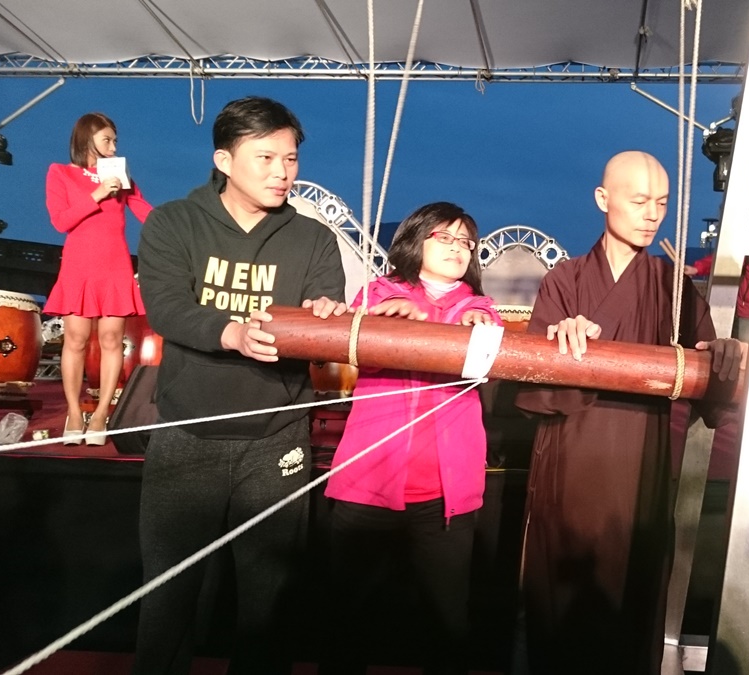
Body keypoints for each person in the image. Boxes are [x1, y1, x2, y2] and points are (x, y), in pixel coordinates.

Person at [134, 96, 346, 675]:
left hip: (278, 440)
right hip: (187, 436)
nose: (283, 172)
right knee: (169, 597)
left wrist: (326, 317)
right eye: (267, 156)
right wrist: (229, 332)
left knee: (269, 600)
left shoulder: (313, 238)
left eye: (292, 159)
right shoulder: (173, 221)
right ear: (224, 160)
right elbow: (167, 308)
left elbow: (325, 312)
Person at [515, 150, 744, 674]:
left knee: (632, 595)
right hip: (572, 458)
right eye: (638, 200)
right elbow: (532, 387)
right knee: (564, 599)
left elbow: (709, 371)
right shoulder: (565, 280)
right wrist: (562, 343)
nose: (651, 215)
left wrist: (724, 353)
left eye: (661, 204)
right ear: (603, 199)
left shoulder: (672, 285)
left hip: (644, 459)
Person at [322, 201, 501, 675]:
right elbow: (355, 349)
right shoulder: (377, 294)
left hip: (447, 499)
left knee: (447, 627)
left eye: (466, 241)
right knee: (347, 623)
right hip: (367, 487)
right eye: (446, 237)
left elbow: (485, 361)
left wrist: (470, 329)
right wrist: (383, 321)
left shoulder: (481, 310)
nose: (459, 247)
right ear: (415, 240)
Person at [43, 112, 152, 446]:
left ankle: (102, 413)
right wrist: (97, 194)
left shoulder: (120, 175)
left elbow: (144, 210)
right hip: (79, 266)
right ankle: (74, 414)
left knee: (111, 340)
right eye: (107, 139)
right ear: (86, 139)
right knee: (75, 339)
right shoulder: (59, 173)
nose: (113, 146)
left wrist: (182, 225)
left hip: (115, 264)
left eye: (115, 140)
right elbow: (61, 221)